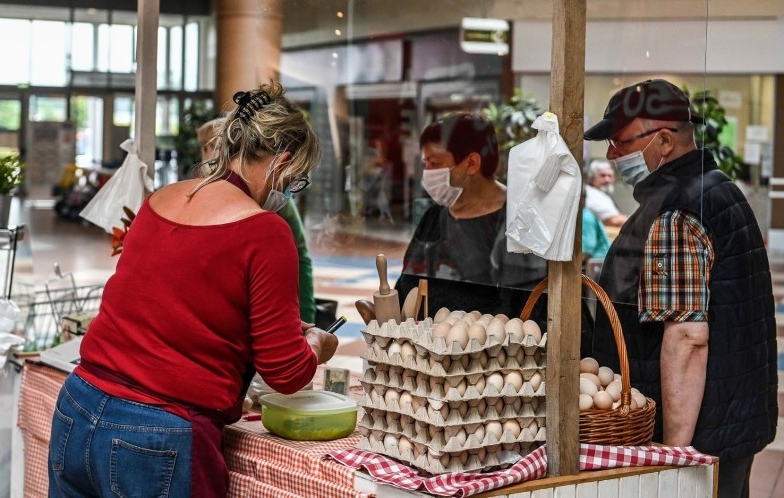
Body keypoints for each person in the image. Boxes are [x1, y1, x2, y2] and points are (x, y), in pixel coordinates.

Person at [47, 82, 339, 498]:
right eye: (298, 179)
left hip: (79, 404)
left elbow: (179, 308)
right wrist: (315, 344)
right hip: (158, 435)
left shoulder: (159, 201)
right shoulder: (265, 231)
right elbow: (286, 373)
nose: (292, 190)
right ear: (283, 162)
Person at [584, 78, 777, 498]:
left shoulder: (679, 209)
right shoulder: (716, 187)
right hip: (731, 418)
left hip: (700, 434)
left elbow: (687, 337)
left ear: (665, 141)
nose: (611, 155)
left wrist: (674, 456)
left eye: (619, 143)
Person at [394, 112, 547, 315]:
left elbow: (529, 305)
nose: (428, 173)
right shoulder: (434, 217)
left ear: (472, 163)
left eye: (435, 164)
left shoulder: (519, 221)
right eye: (425, 164)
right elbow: (407, 286)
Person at [198, 118, 316, 323]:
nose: (211, 153)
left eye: (215, 145)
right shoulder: (270, 226)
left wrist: (305, 315)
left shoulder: (173, 201)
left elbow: (301, 257)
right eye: (208, 147)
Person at [585, 159, 628, 227]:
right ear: (592, 177)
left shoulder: (602, 194)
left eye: (610, 176)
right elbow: (613, 220)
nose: (607, 180)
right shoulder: (590, 193)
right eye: (602, 175)